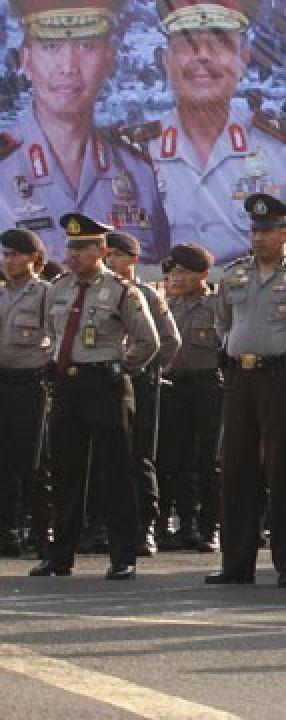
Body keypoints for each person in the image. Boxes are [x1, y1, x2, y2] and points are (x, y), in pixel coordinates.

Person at [146, 0, 286, 265]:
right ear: (165, 60)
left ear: (243, 59)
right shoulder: (134, 155)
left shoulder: (281, 150)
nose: (203, 56)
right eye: (188, 42)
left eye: (219, 43)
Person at [0, 0, 169, 264]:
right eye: (51, 46)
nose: (68, 66)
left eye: (85, 46)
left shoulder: (139, 172)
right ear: (25, 60)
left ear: (109, 58)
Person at [205, 194, 286, 588]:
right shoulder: (232, 275)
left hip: (281, 381)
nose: (259, 238)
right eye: (254, 230)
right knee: (235, 470)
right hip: (239, 382)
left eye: (267, 231)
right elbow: (222, 324)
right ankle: (237, 564)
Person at [31, 213, 160, 580]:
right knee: (66, 471)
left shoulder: (121, 289)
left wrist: (121, 369)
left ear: (101, 249)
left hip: (105, 385)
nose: (73, 255)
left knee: (115, 471)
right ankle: (60, 555)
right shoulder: (58, 288)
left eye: (83, 247)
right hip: (67, 387)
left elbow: (148, 341)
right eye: (70, 247)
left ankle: (123, 555)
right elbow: (50, 333)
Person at [104, 232, 181, 556]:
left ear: (133, 259)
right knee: (107, 455)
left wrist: (143, 370)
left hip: (137, 381)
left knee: (140, 455)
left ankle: (146, 526)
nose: (111, 262)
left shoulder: (148, 295)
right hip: (104, 384)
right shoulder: (100, 291)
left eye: (117, 256)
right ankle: (104, 526)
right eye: (108, 256)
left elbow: (169, 341)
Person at [160, 243, 222, 553]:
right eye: (174, 272)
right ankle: (185, 524)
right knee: (178, 457)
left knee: (208, 459)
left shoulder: (216, 306)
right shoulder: (169, 306)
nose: (177, 278)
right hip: (175, 386)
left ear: (203, 275)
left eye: (184, 272)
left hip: (208, 386)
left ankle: (210, 527)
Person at [0, 229, 53, 558]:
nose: (8, 261)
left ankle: (41, 530)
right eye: (5, 255)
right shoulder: (1, 294)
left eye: (15, 255)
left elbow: (58, 337)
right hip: (2, 383)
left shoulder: (46, 293)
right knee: (3, 463)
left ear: (34, 258)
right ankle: (8, 530)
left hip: (31, 385)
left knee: (34, 461)